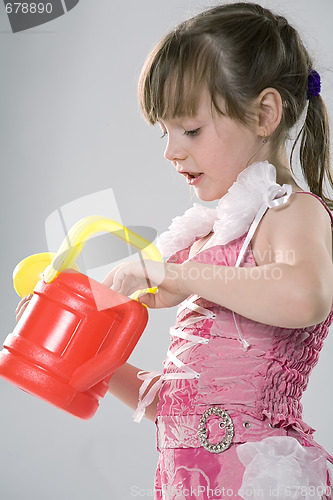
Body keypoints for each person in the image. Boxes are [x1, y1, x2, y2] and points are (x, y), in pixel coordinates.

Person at [16, 2, 333, 499]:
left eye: (190, 129)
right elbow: (186, 406)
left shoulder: (291, 212)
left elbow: (305, 296)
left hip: (258, 483)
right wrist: (83, 356)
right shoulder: (209, 244)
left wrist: (177, 276)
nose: (171, 151)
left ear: (265, 114)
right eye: (165, 132)